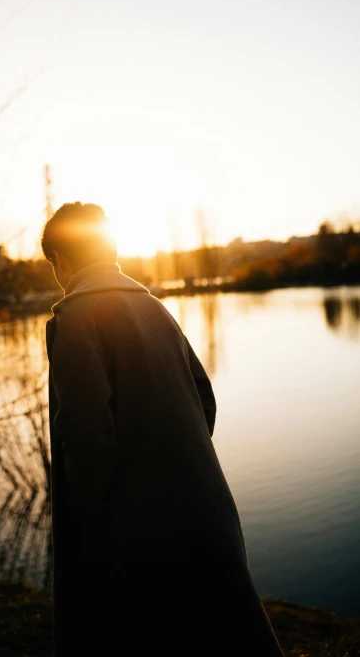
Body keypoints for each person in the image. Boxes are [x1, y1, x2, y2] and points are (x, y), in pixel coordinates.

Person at [42, 201, 284, 657]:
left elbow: (86, 434)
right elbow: (204, 401)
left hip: (140, 537)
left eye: (54, 264)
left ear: (63, 258)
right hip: (207, 512)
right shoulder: (156, 310)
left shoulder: (75, 318)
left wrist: (95, 521)